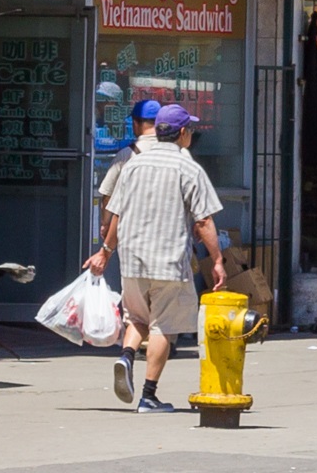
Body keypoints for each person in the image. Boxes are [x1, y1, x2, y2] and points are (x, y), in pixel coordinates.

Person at [84, 103, 221, 414]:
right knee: (164, 326)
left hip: (133, 258)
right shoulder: (189, 168)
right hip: (169, 260)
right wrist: (217, 260)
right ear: (183, 133)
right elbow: (204, 221)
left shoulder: (133, 164)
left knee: (137, 318)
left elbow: (115, 213)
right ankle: (148, 395)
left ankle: (127, 356)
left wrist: (106, 250)